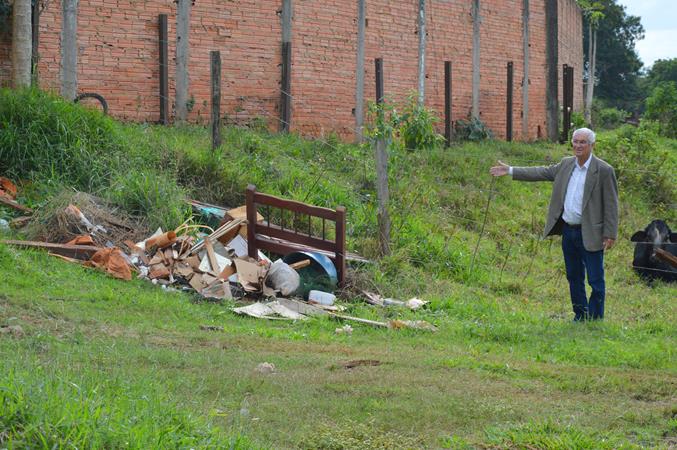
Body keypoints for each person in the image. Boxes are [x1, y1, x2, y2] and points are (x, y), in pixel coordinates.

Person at [489, 128, 618, 321]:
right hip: (569, 231)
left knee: (595, 280)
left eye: (583, 142)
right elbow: (541, 171)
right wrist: (510, 170)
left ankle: (596, 318)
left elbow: (611, 204)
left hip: (590, 232)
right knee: (574, 277)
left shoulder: (604, 170)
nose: (578, 145)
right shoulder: (566, 165)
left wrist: (610, 233)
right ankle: (580, 316)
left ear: (592, 145)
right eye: (575, 141)